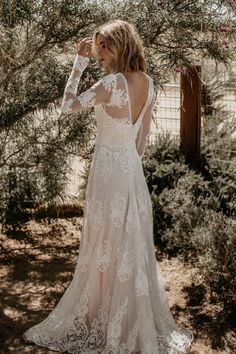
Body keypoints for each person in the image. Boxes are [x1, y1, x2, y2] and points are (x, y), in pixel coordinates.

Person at [23, 20, 194, 353]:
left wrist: (79, 62)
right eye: (97, 46)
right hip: (130, 172)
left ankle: (105, 317)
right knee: (126, 244)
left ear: (122, 45)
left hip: (107, 173)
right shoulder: (148, 82)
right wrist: (129, 165)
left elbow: (67, 105)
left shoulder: (112, 83)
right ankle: (123, 317)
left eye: (104, 45)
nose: (99, 51)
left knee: (104, 243)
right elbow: (142, 140)